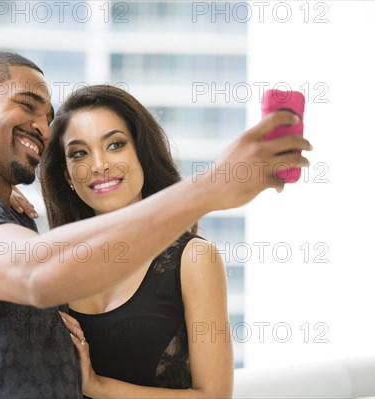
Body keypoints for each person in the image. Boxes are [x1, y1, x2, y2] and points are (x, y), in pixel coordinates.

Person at [0, 50, 311, 398]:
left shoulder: (2, 218)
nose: (40, 126)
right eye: (26, 105)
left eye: (115, 144)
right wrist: (209, 187)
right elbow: (36, 272)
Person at [41, 85, 233, 398]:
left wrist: (97, 387)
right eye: (79, 153)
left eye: (115, 144)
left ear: (142, 153)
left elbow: (215, 396)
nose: (99, 165)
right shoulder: (52, 264)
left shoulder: (194, 259)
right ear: (67, 176)